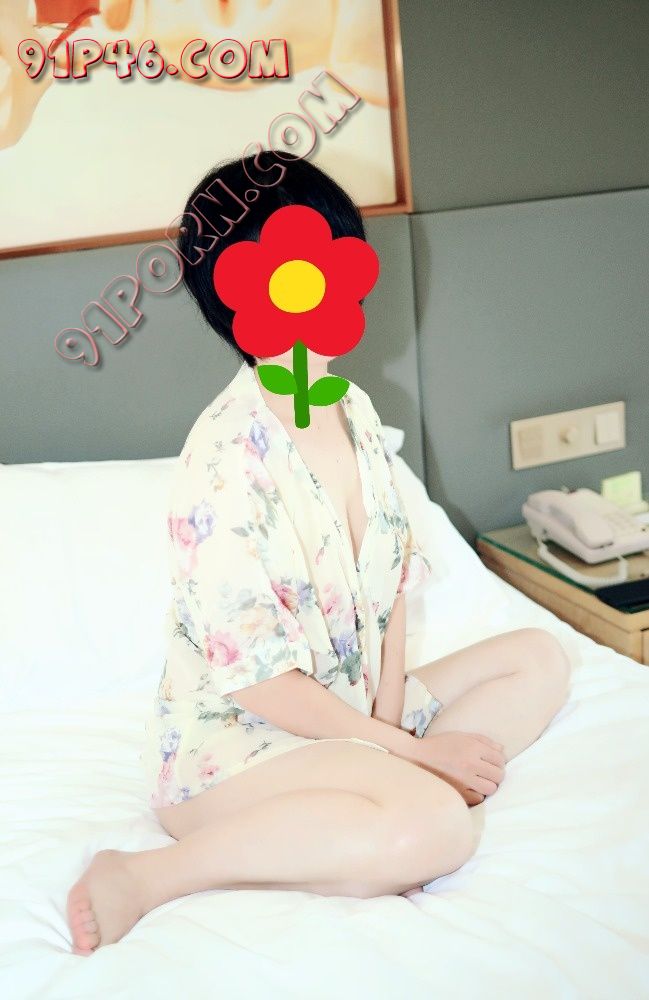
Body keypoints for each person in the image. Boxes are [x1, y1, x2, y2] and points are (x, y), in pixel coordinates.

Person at [66, 152, 571, 955]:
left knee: (537, 656)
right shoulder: (225, 457)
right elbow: (261, 683)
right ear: (241, 290)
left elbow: (392, 588)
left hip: (352, 709)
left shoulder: (352, 407)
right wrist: (412, 755)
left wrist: (386, 726)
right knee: (438, 826)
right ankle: (150, 874)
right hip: (236, 748)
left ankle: (376, 800)